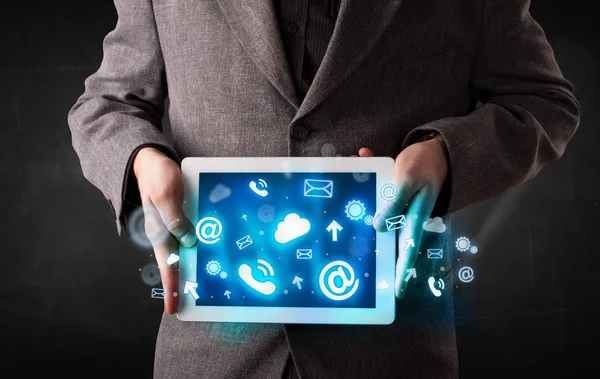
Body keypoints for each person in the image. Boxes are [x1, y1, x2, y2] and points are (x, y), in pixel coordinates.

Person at [68, 0, 580, 377]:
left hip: (393, 353)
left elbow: (542, 101)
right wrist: (142, 158)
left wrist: (444, 152)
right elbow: (108, 104)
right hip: (210, 355)